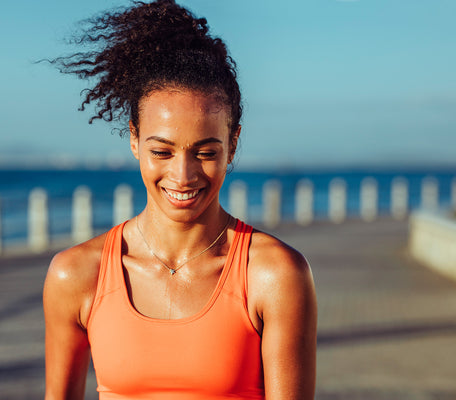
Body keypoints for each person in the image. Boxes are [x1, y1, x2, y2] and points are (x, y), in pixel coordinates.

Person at [43, 1, 317, 399]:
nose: (183, 175)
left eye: (205, 152)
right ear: (134, 139)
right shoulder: (76, 275)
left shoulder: (274, 275)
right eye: (162, 152)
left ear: (233, 143)